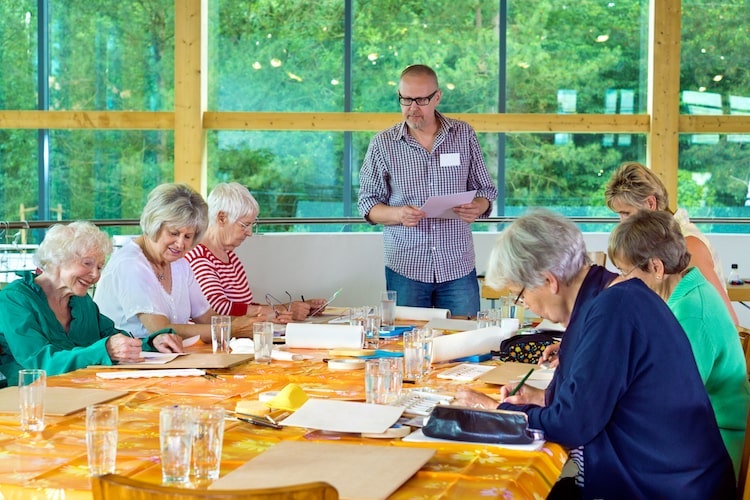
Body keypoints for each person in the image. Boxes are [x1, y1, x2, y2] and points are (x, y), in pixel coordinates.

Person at [455, 209, 735, 498]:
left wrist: (497, 412)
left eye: (521, 294)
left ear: (549, 281)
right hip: (659, 477)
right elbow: (593, 398)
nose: (526, 304)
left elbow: (572, 424)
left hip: (666, 489)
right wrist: (542, 398)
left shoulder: (613, 309)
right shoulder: (608, 297)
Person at [608, 209, 750, 477]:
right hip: (699, 433)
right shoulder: (685, 292)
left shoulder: (692, 312)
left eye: (626, 272)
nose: (623, 281)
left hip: (717, 445)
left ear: (657, 268)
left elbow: (669, 401)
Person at [357, 64, 498, 318]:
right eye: (406, 99)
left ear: (437, 97)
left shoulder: (463, 135)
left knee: (465, 343)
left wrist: (479, 206)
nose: (412, 108)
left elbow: (486, 190)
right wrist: (398, 214)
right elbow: (367, 204)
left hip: (457, 264)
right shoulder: (383, 144)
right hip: (407, 266)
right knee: (405, 343)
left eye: (421, 99)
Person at [0, 221, 182, 386]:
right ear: (58, 258)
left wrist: (153, 343)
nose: (95, 275)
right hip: (28, 404)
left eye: (99, 267)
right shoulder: (14, 300)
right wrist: (105, 350)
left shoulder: (81, 301)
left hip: (82, 393)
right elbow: (40, 363)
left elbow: (113, 339)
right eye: (87, 263)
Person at [94, 183, 253, 343]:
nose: (180, 243)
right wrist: (232, 329)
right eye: (174, 233)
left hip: (167, 359)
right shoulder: (130, 263)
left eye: (188, 236)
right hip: (124, 363)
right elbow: (160, 330)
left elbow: (206, 317)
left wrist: (254, 321)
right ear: (155, 226)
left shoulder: (179, 263)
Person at [604, 161, 738, 325]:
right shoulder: (662, 242)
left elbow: (728, 319)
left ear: (651, 203)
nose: (622, 223)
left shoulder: (687, 244)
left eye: (626, 213)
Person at [185, 182, 325, 321]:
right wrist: (283, 310)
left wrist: (294, 308)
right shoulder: (199, 258)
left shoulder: (230, 257)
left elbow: (243, 307)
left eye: (252, 225)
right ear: (222, 218)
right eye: (245, 225)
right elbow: (218, 309)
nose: (250, 233)